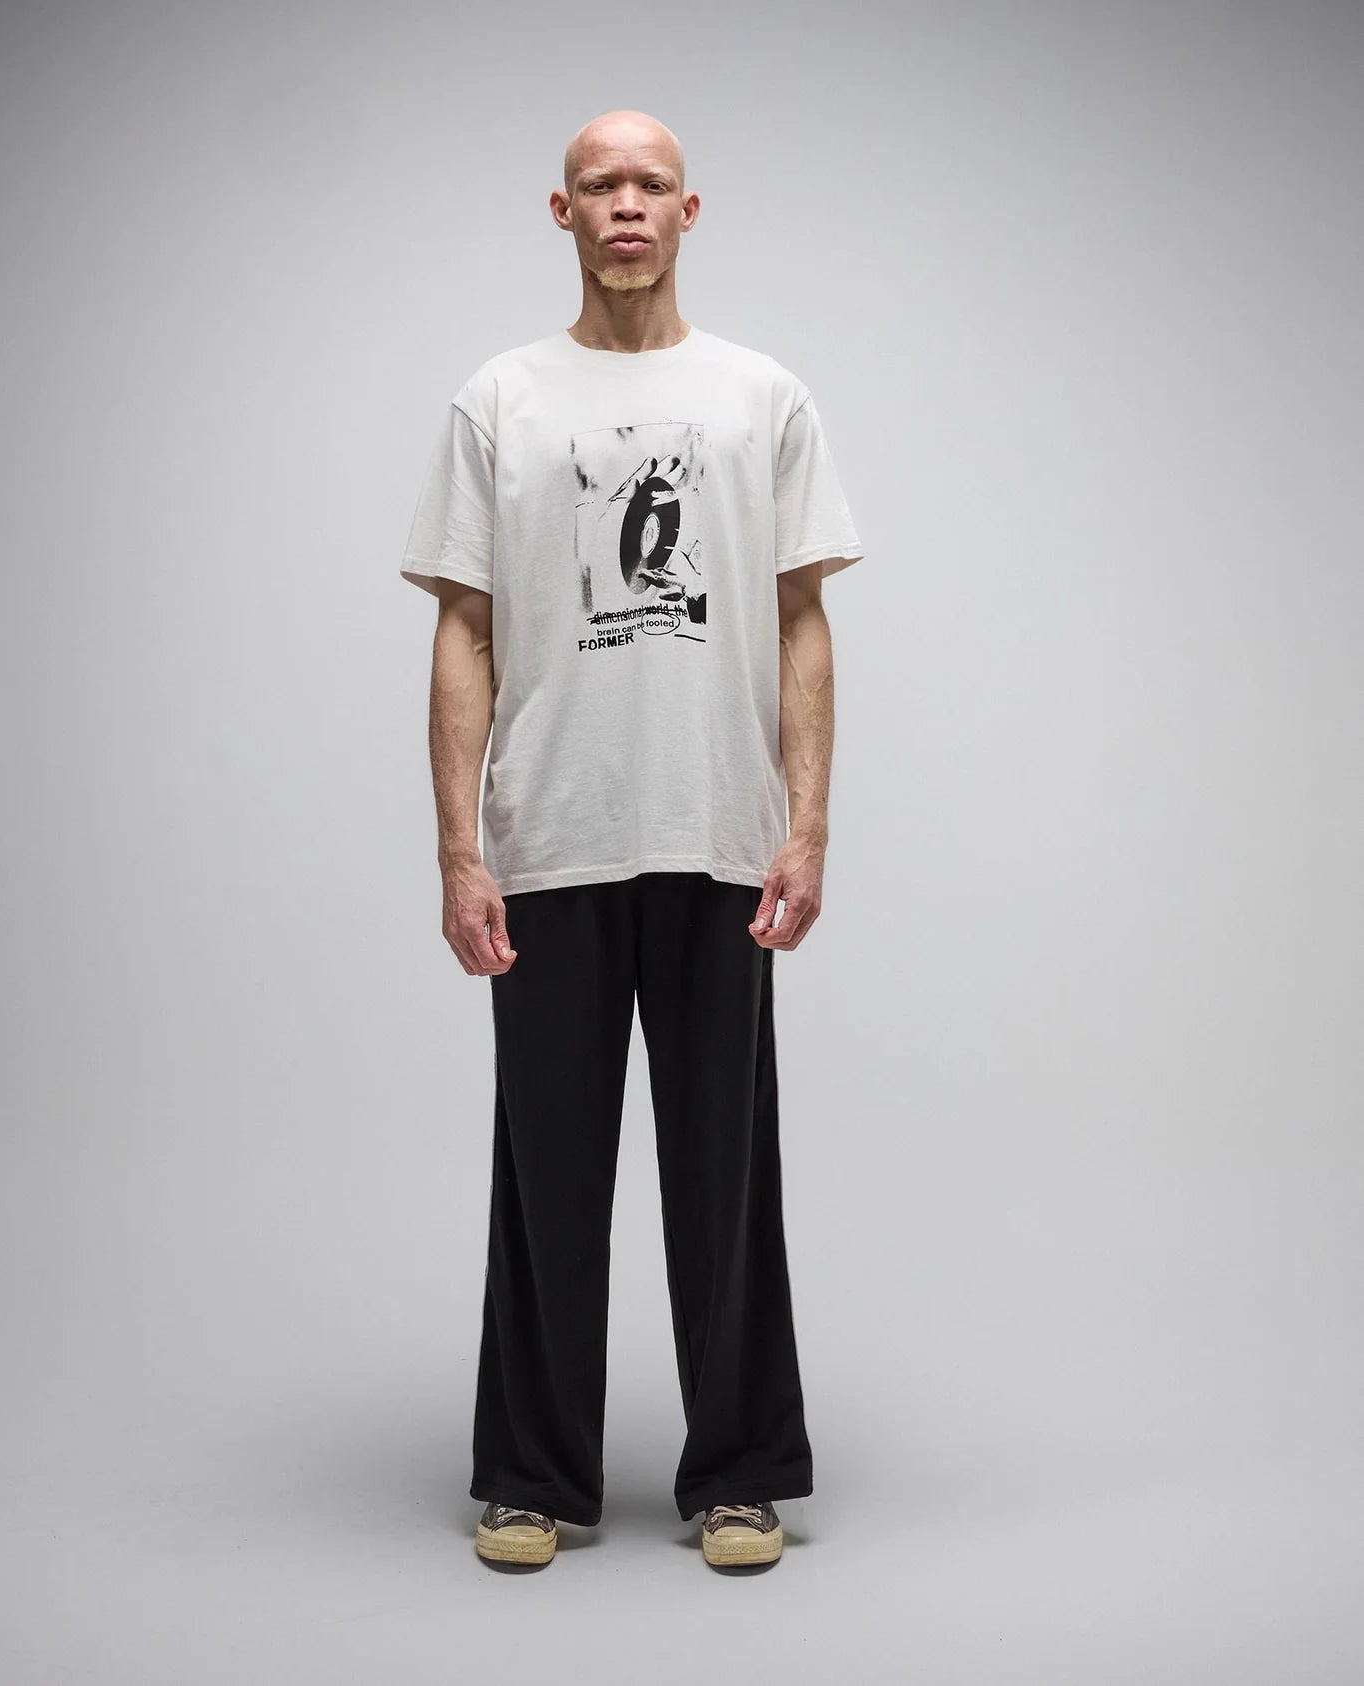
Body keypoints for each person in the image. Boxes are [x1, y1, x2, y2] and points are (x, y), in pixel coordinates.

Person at [400, 109, 864, 1571]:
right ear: (561, 210)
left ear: (687, 209)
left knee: (725, 1171)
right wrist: (460, 850)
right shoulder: (501, 398)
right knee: (546, 1172)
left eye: (649, 183)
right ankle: (532, 1475)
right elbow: (462, 631)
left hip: (719, 833)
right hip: (554, 834)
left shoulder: (758, 394)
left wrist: (806, 825)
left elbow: (801, 619)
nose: (624, 205)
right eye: (598, 183)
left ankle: (737, 1474)